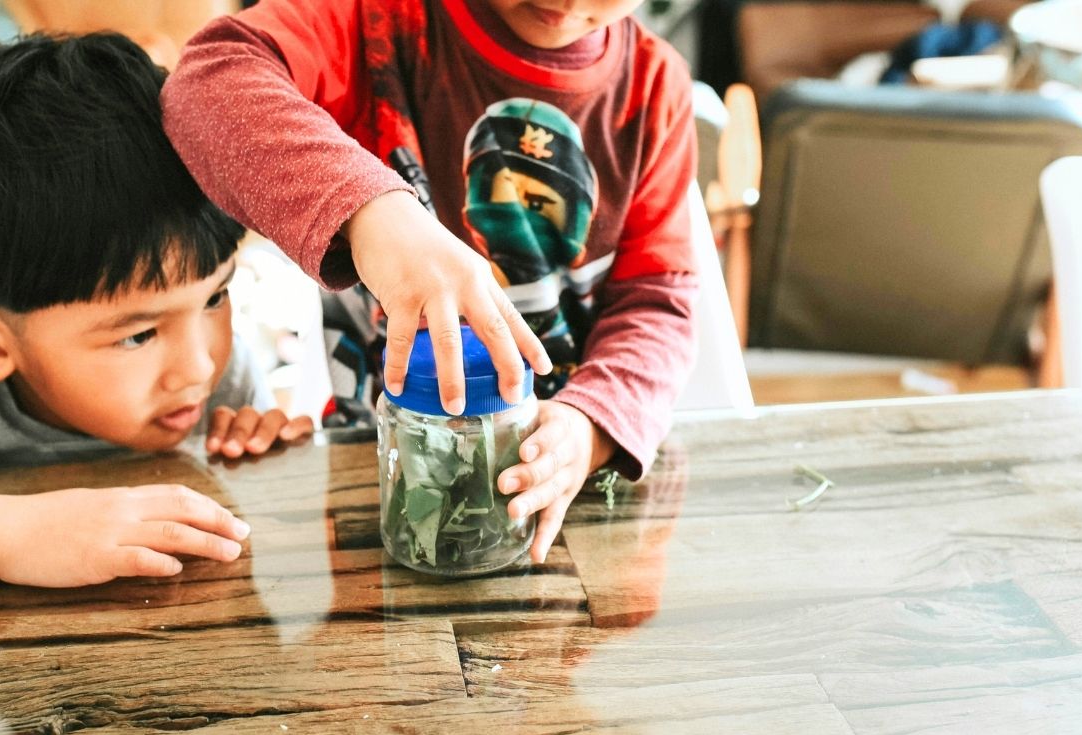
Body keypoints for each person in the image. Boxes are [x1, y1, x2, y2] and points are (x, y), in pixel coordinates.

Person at [161, 0, 700, 562]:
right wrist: (372, 212)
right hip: (383, 483)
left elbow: (659, 301)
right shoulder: (376, 21)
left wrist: (593, 424)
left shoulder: (654, 89)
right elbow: (207, 80)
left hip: (563, 498)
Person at [0, 33, 313, 609]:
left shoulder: (213, 360)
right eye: (138, 334)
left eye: (215, 297)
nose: (199, 366)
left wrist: (256, 447)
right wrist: (4, 533)